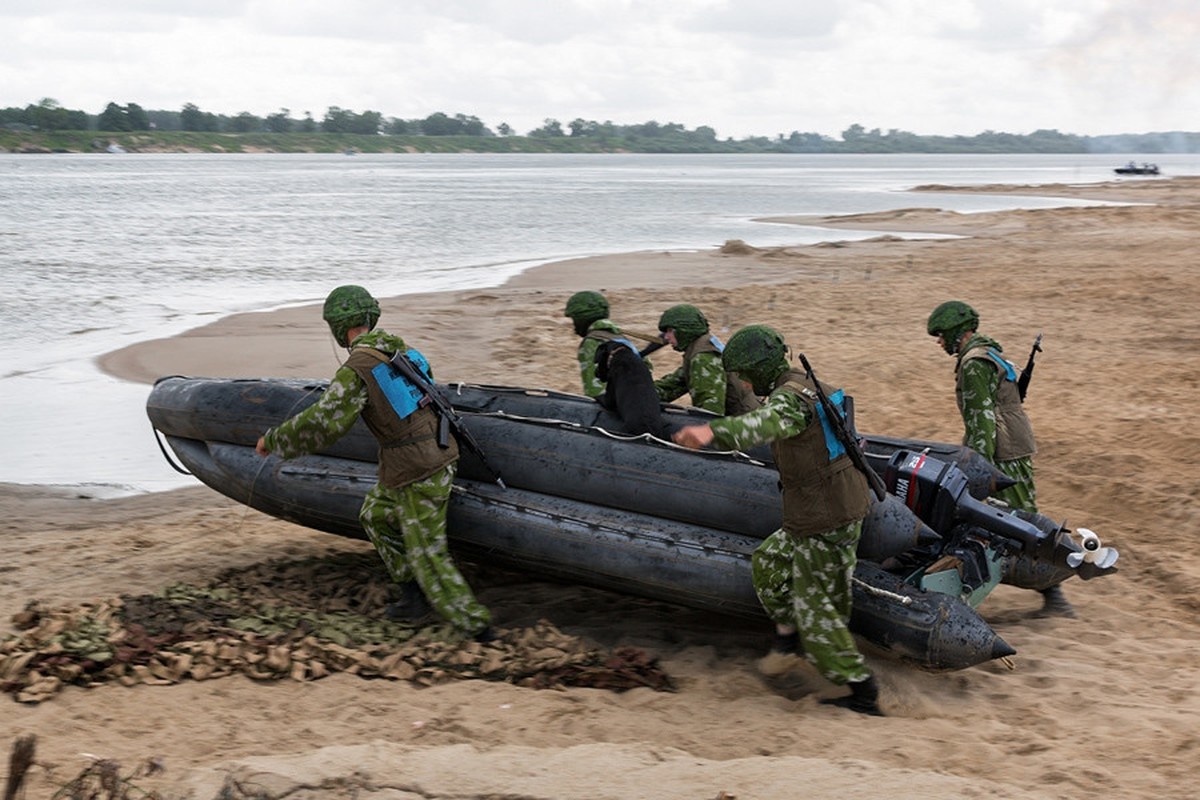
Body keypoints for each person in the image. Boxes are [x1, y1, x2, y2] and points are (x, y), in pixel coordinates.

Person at [255, 285, 495, 642]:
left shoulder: (358, 368)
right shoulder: (405, 351)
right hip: (420, 458)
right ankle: (412, 595)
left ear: (340, 326)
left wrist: (275, 441)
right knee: (375, 515)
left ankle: (477, 626)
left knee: (427, 551)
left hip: (419, 468)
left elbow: (326, 421)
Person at [672, 325, 883, 716]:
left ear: (763, 370)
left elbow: (761, 426)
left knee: (817, 611)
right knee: (769, 563)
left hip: (827, 516)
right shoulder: (801, 384)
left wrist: (709, 432)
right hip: (814, 509)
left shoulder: (791, 403)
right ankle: (787, 640)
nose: (746, 385)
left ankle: (861, 690)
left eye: (747, 376)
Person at [925, 300, 1072, 616]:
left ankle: (1054, 594)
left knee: (1012, 523)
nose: (939, 342)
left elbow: (982, 419)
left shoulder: (974, 363)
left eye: (940, 335)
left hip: (1001, 453)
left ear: (955, 331)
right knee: (1022, 519)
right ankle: (1052, 592)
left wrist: (979, 469)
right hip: (1014, 447)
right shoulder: (990, 352)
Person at [653, 303, 761, 416]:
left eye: (670, 331)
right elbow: (673, 385)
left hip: (744, 424)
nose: (666, 337)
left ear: (684, 330)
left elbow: (710, 412)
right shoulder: (700, 347)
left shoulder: (703, 358)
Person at [563, 290, 628, 398]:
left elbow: (594, 389)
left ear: (581, 318)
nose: (574, 326)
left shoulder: (591, 342)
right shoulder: (620, 337)